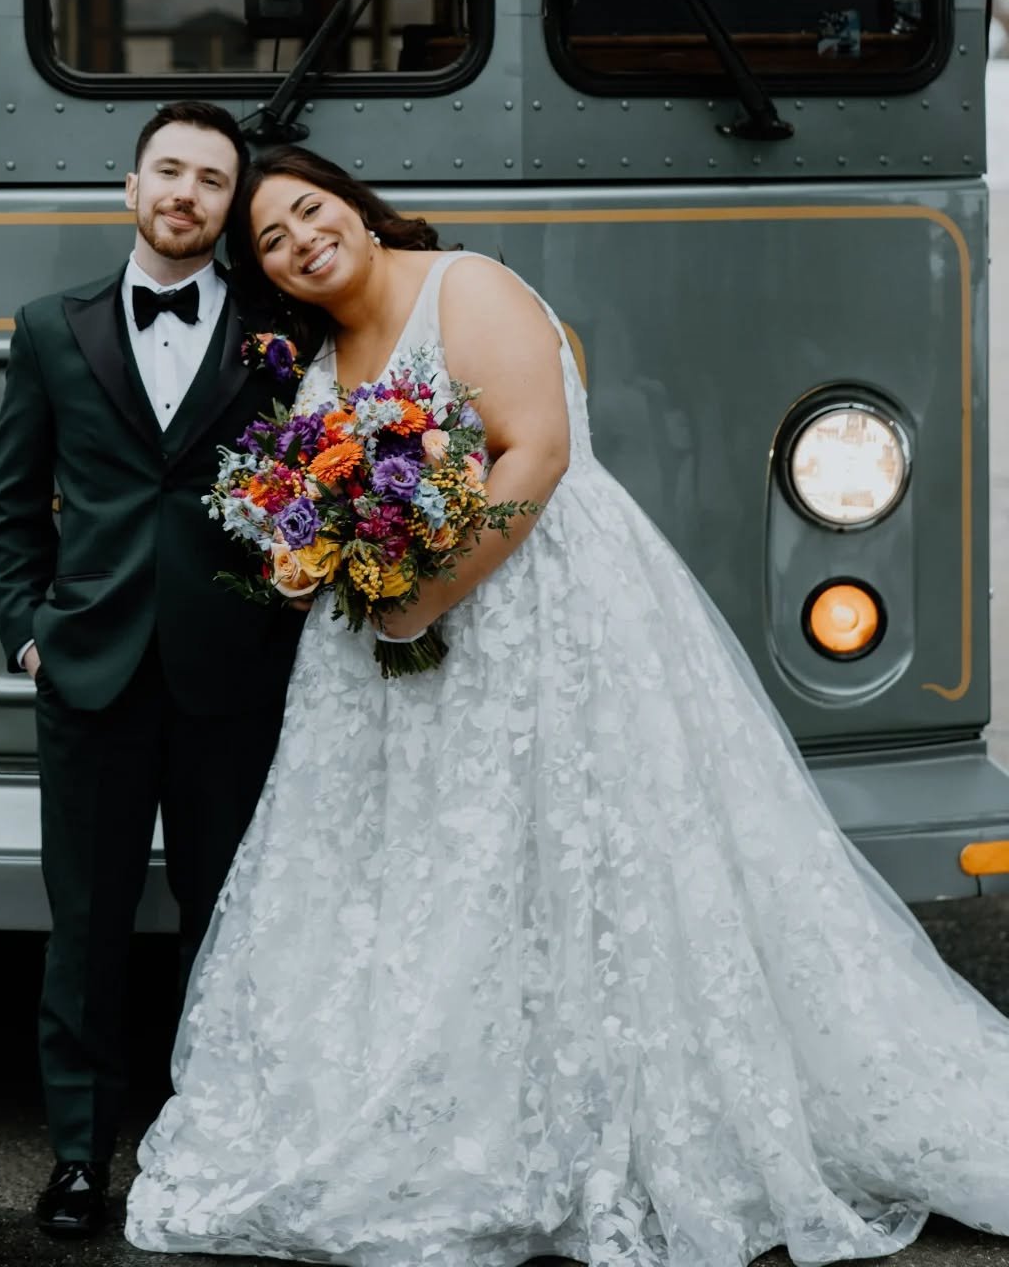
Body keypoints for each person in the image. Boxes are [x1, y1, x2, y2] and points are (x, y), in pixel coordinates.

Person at [124, 146, 1009, 1267]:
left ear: (353, 204)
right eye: (274, 241)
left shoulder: (467, 287)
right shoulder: (325, 359)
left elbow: (535, 454)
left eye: (310, 210)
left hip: (538, 616)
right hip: (391, 666)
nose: (303, 239)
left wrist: (420, 600)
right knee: (437, 873)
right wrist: (329, 567)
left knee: (573, 854)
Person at [0, 103, 304, 1240]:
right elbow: (9, 513)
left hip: (234, 679)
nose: (186, 194)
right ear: (132, 188)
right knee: (87, 931)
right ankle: (79, 1159)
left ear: (229, 206)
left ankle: (213, 1149)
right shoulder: (50, 328)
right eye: (169, 171)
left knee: (229, 927)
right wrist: (31, 635)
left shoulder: (278, 334)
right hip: (91, 676)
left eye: (212, 180)